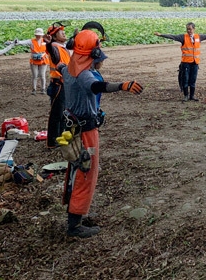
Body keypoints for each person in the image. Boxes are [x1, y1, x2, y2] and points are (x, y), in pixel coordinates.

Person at [45, 21, 143, 238]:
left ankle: (76, 214)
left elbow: (57, 62)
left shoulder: (68, 69)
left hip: (73, 128)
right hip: (86, 131)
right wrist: (122, 86)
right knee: (86, 173)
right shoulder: (83, 74)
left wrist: (50, 47)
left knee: (76, 171)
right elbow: (96, 86)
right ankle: (74, 226)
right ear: (93, 53)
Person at [154, 23, 206, 101]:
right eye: (187, 29)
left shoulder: (198, 37)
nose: (189, 31)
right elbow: (172, 36)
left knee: (193, 80)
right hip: (185, 63)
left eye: (190, 29)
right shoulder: (182, 37)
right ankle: (186, 96)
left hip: (195, 63)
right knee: (185, 80)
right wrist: (161, 35)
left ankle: (191, 96)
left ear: (194, 29)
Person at [45, 21, 71, 148]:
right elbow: (53, 55)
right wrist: (48, 43)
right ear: (54, 37)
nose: (64, 32)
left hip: (64, 84)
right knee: (57, 114)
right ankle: (52, 142)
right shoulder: (54, 47)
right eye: (61, 32)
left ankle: (60, 138)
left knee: (63, 113)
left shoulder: (63, 47)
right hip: (58, 85)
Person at [15, 28, 49, 94]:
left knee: (42, 75)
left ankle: (43, 89)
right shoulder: (31, 41)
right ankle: (34, 89)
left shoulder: (45, 41)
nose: (38, 36)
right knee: (35, 75)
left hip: (43, 60)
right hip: (34, 60)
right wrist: (16, 42)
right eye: (37, 35)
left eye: (40, 35)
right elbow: (22, 42)